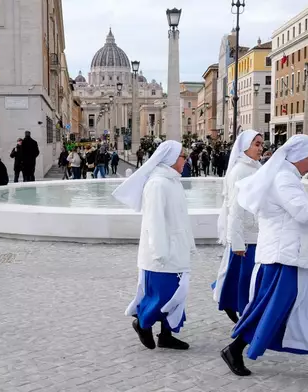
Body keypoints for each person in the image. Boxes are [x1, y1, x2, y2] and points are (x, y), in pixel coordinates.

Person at [220, 134, 308, 380]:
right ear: (298, 157)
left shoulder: (285, 177)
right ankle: (235, 349)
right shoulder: (283, 179)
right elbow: (302, 211)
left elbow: (295, 215)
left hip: (293, 254)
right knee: (272, 307)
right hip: (285, 257)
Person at [112, 140, 194, 351]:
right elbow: (154, 221)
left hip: (177, 250)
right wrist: (159, 252)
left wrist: (188, 244)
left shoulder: (173, 181)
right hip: (162, 254)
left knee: (177, 295)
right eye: (183, 156)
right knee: (160, 296)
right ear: (171, 158)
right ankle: (142, 323)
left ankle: (166, 335)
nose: (186, 159)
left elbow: (181, 218)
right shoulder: (158, 184)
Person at [213, 130, 263, 324]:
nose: (260, 148)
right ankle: (245, 313)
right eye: (256, 144)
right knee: (244, 278)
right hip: (246, 236)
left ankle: (240, 308)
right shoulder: (240, 171)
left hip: (256, 232)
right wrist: (237, 241)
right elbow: (235, 207)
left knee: (241, 276)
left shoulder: (256, 167)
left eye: (261, 144)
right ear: (245, 147)